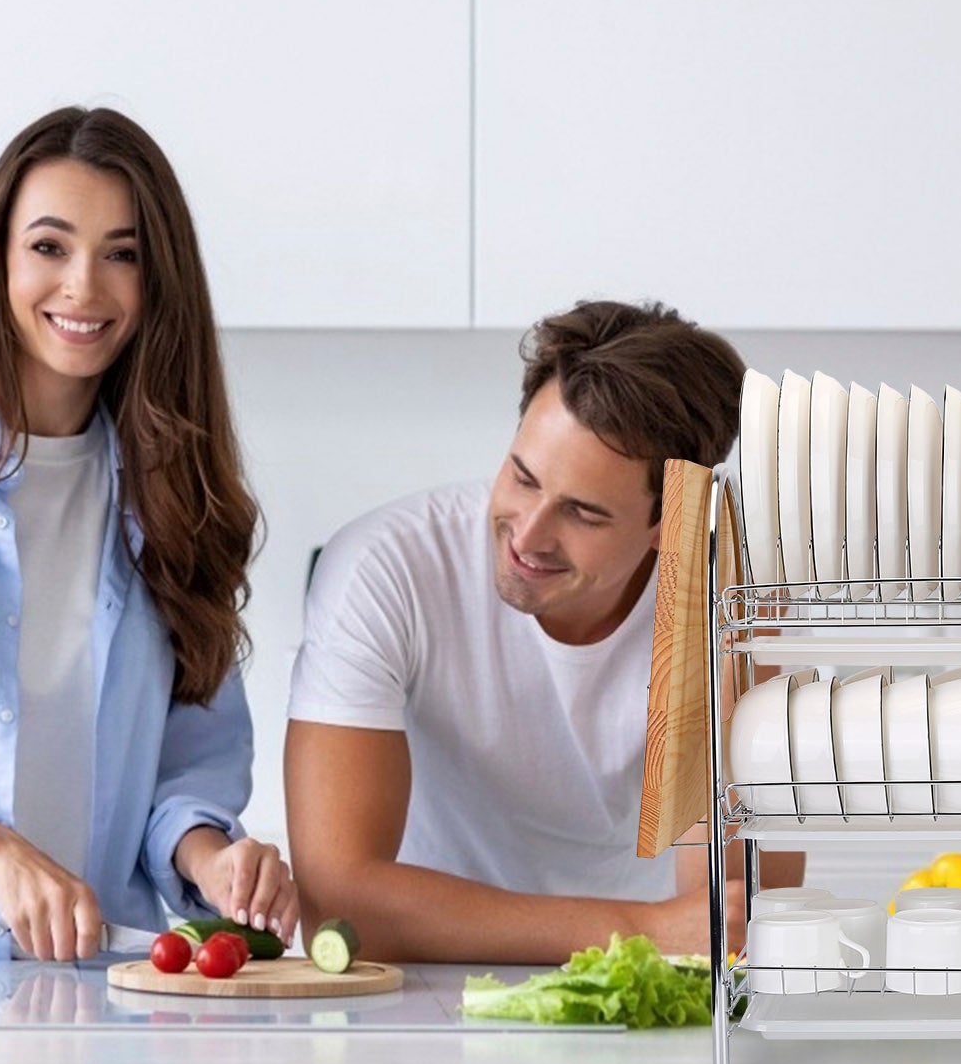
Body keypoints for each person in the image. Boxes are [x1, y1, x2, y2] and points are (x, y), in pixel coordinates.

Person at [0, 107, 296, 960]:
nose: (84, 286)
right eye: (50, 247)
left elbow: (186, 770)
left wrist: (218, 860)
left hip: (99, 985)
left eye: (122, 254)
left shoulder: (180, 493)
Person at [285, 300, 802, 963]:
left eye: (583, 514)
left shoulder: (731, 594)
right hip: (421, 990)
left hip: (637, 1001)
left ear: (669, 524)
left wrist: (725, 639)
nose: (527, 535)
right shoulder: (387, 569)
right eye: (522, 478)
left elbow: (729, 915)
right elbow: (338, 904)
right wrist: (642, 930)